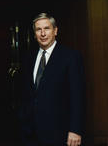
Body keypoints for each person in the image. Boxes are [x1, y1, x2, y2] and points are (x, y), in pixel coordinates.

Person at [18, 13, 85, 146]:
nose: (43, 33)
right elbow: (26, 93)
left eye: (47, 28)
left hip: (59, 132)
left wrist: (75, 130)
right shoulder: (28, 58)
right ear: (34, 34)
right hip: (30, 133)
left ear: (55, 31)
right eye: (38, 29)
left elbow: (78, 96)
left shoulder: (70, 57)